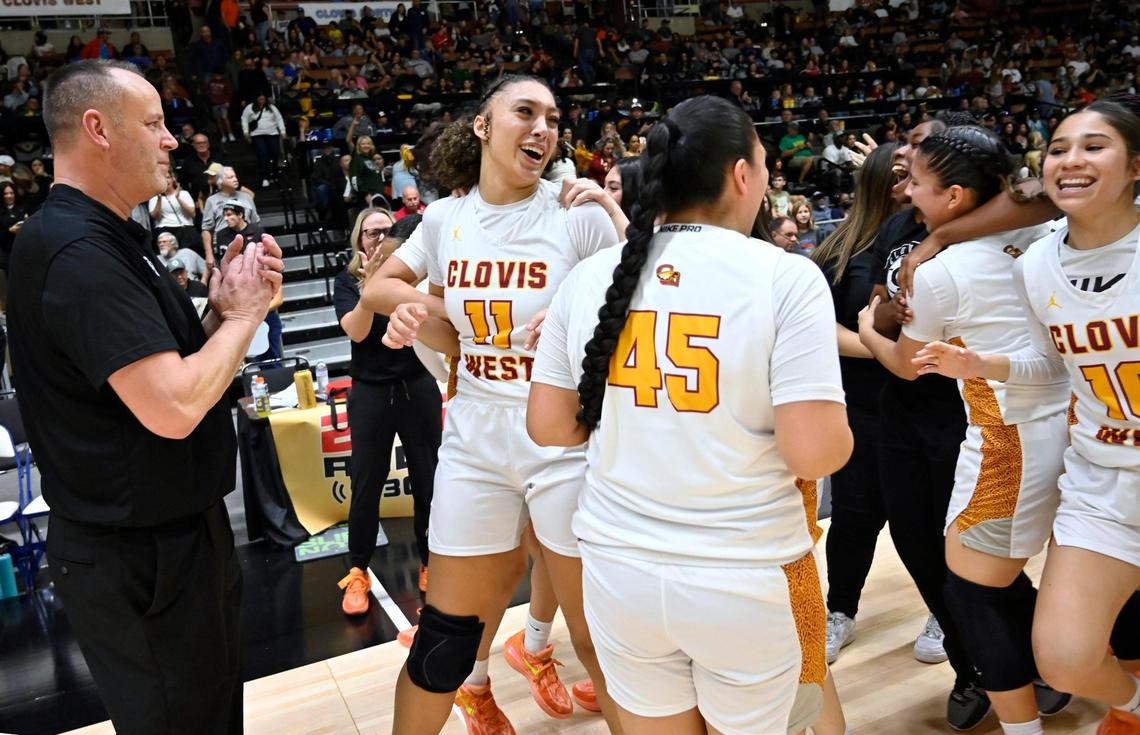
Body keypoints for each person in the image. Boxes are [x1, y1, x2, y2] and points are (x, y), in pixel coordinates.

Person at [527, 94, 853, 735]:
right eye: (762, 164)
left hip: (621, 574)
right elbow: (815, 453)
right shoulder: (784, 276)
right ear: (741, 174)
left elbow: (549, 427)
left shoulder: (592, 278)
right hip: (745, 573)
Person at [6, 59, 282, 735]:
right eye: (155, 123)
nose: (170, 138)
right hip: (136, 555)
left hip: (176, 537)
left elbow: (175, 371)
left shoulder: (110, 235)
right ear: (98, 129)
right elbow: (174, 405)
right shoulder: (76, 251)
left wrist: (221, 313)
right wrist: (246, 320)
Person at [363, 74, 623, 735]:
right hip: (475, 438)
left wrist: (574, 311)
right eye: (525, 112)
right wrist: (434, 314)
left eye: (554, 119)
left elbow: (639, 305)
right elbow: (379, 286)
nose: (543, 127)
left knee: (600, 642)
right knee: (444, 641)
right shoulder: (446, 218)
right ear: (482, 126)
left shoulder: (577, 214)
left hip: (561, 438)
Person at [913, 100, 1140, 735]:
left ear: (1135, 166)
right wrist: (982, 363)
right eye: (1061, 146)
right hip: (1101, 481)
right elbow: (1051, 363)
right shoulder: (1038, 261)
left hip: (1027, 449)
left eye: (1095, 146)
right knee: (1064, 661)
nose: (1071, 158)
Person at [858, 126, 1072, 735]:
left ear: (953, 196)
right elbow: (1041, 193)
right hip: (1068, 426)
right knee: (1012, 580)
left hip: (1007, 439)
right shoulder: (1039, 231)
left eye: (916, 182)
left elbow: (905, 364)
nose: (904, 192)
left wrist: (869, 326)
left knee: (970, 595)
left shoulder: (942, 271)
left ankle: (1032, 719)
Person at [809, 143, 900, 664]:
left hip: (927, 404)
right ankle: (839, 610)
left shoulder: (935, 245)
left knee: (930, 521)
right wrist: (883, 347)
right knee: (853, 519)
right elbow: (819, 329)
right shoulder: (837, 253)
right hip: (861, 404)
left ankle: (942, 611)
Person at [335, 208, 442, 611]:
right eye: (370, 232)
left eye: (385, 231)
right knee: (366, 483)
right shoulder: (347, 280)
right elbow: (357, 330)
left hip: (417, 386)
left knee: (429, 479)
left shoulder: (416, 277)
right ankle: (358, 570)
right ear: (358, 239)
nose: (378, 238)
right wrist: (371, 286)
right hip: (370, 391)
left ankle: (431, 562)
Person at [240, 93, 286, 188]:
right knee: (263, 154)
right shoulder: (250, 107)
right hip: (257, 135)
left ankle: (275, 174)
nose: (261, 101)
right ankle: (265, 177)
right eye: (260, 99)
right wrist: (245, 131)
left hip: (272, 133)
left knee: (274, 154)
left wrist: (282, 131)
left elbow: (279, 119)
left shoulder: (271, 107)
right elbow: (244, 118)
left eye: (263, 99)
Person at [150, 172, 199, 253]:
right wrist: (159, 198)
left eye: (168, 177)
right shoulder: (154, 197)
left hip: (184, 228)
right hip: (164, 228)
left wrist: (178, 198)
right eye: (163, 178)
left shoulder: (184, 193)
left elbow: (192, 213)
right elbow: (155, 216)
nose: (166, 180)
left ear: (173, 179)